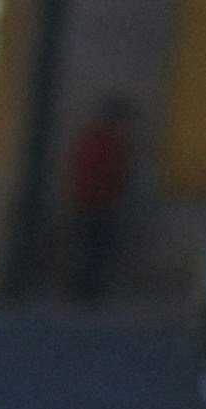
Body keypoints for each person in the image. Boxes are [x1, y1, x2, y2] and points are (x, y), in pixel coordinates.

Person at [61, 96, 138, 304]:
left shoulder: (92, 138)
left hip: (87, 201)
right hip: (100, 204)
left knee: (88, 250)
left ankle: (83, 291)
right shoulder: (110, 142)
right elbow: (115, 173)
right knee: (96, 251)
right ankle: (86, 292)